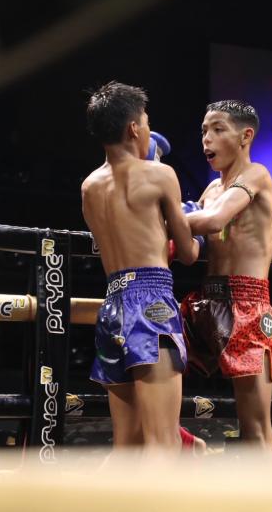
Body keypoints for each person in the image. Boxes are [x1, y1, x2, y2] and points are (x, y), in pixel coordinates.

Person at [82, 81, 200, 455]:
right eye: (146, 121)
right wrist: (195, 227)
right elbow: (188, 253)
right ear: (134, 128)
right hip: (151, 303)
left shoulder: (89, 187)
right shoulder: (160, 175)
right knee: (163, 444)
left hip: (112, 307)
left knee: (127, 449)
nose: (148, 128)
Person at [181, 100, 272, 463]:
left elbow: (213, 220)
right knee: (150, 354)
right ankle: (183, 442)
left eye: (218, 129)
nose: (207, 139)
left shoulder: (256, 175)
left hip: (246, 304)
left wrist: (165, 216)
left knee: (256, 433)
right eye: (204, 131)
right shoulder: (210, 190)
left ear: (245, 136)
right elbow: (190, 250)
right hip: (205, 303)